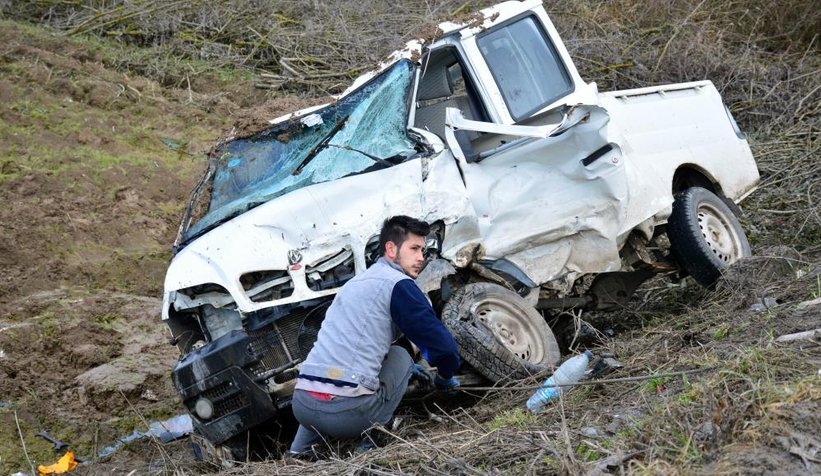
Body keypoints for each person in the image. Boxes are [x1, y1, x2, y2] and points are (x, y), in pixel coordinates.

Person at [287, 215, 461, 458]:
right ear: (391, 248)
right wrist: (445, 375)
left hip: (302, 405)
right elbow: (442, 347)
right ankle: (371, 441)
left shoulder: (355, 284)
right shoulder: (398, 285)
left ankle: (298, 453)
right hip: (347, 415)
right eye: (414, 248)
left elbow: (353, 347)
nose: (421, 257)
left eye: (423, 249)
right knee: (402, 355)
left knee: (324, 373)